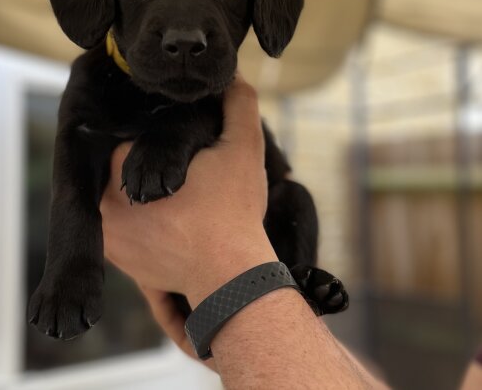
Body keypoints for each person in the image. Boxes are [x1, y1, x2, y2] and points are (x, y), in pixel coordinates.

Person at [101, 75, 389, 389]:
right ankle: (296, 292)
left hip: (259, 256)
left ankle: (298, 285)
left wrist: (231, 274)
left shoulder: (209, 101)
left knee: (297, 200)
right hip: (210, 293)